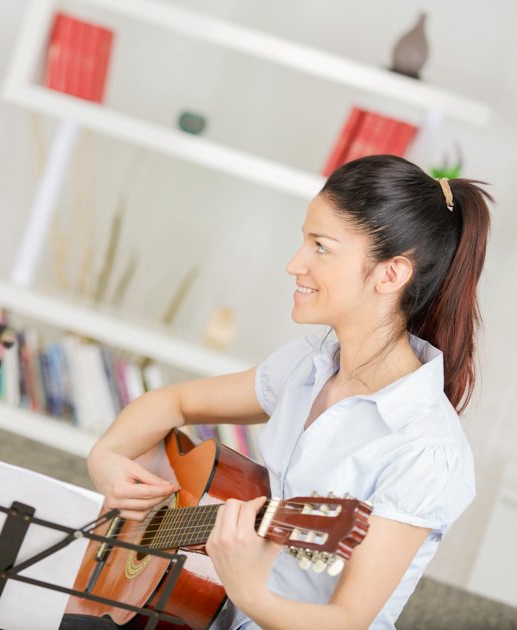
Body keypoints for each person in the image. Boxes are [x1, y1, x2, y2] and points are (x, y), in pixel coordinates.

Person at [62, 155, 492, 630]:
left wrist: (248, 588)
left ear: (390, 275)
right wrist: (106, 457)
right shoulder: (305, 365)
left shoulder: (426, 448)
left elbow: (346, 621)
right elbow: (174, 402)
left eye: (320, 247)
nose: (294, 264)